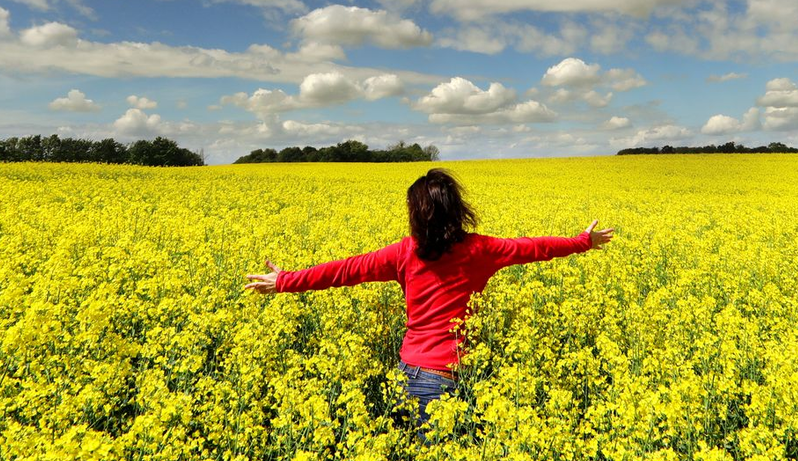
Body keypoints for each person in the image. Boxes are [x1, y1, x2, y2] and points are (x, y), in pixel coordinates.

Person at [244, 167, 614, 438]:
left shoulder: (404, 252)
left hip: (406, 374)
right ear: (456, 209)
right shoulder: (482, 250)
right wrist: (584, 240)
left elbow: (346, 270)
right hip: (444, 379)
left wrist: (285, 281)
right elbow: (535, 247)